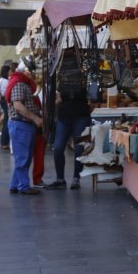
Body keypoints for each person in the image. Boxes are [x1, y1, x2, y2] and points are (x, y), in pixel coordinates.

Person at [48, 50, 89, 190]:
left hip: (80, 115)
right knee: (59, 148)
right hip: (66, 116)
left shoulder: (84, 74)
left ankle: (76, 178)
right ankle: (61, 178)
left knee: (78, 148)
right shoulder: (60, 76)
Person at [6, 57, 44, 196]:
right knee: (22, 157)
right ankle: (23, 186)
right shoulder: (19, 84)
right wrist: (35, 117)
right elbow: (18, 105)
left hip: (24, 124)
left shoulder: (23, 83)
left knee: (24, 157)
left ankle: (15, 184)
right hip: (21, 123)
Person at [0, 63, 12, 150]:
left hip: (3, 102)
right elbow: (6, 93)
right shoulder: (5, 81)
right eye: (10, 70)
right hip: (5, 102)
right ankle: (5, 142)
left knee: (6, 121)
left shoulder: (2, 80)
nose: (11, 72)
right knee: (6, 121)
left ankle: (4, 142)